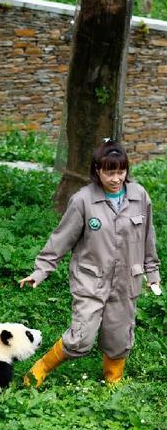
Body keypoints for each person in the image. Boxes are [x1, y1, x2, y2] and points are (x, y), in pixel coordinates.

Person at [19, 140, 161, 385]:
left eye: (121, 171)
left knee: (118, 338)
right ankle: (41, 367)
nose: (116, 178)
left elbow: (148, 237)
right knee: (81, 339)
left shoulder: (139, 196)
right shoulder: (83, 200)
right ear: (97, 170)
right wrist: (41, 270)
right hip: (90, 281)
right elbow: (61, 239)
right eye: (110, 172)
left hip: (127, 281)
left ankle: (112, 381)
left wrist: (153, 273)